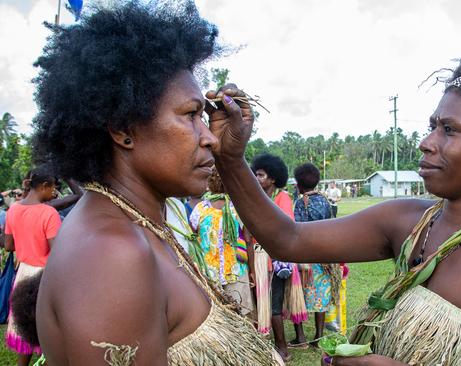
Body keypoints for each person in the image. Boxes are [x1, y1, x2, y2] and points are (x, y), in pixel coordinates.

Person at [206, 57, 461, 365]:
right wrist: (231, 158)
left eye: (449, 130)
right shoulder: (409, 221)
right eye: (431, 126)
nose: (426, 143)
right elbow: (288, 238)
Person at [31, 2, 281, 364]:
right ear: (123, 129)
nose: (208, 137)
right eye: (191, 115)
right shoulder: (112, 254)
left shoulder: (139, 223)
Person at [4, 165, 61, 366]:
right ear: (44, 186)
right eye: (53, 188)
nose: (54, 192)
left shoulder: (13, 209)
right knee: (47, 331)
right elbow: (58, 252)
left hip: (23, 273)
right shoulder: (49, 213)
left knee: (25, 327)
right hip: (44, 277)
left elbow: (9, 245)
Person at [250, 153, 302, 362]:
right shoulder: (258, 198)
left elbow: (285, 229)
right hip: (259, 259)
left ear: (273, 179)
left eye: (260, 175)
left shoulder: (283, 198)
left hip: (275, 262)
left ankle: (282, 348)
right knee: (266, 304)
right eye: (255, 174)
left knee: (273, 306)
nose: (256, 178)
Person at [189, 169, 255, 315]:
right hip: (236, 271)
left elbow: (193, 238)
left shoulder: (200, 209)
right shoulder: (238, 208)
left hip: (208, 271)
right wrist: (253, 271)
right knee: (240, 314)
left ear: (209, 183)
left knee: (216, 314)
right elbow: (248, 241)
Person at [290, 163, 338, 347]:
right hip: (324, 257)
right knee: (321, 297)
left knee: (297, 295)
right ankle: (318, 337)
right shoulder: (325, 200)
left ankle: (300, 336)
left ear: (299, 185)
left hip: (305, 258)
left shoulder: (301, 202)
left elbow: (297, 231)